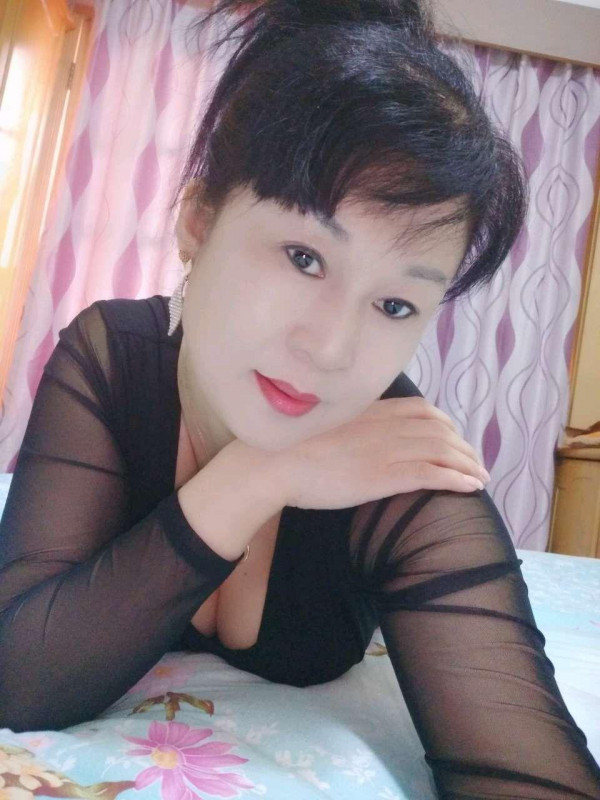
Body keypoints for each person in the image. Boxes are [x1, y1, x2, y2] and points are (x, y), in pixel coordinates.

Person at [1, 0, 599, 795]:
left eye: (395, 305)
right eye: (304, 257)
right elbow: (19, 680)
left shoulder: (403, 472)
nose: (332, 350)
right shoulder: (112, 355)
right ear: (198, 221)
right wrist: (257, 475)